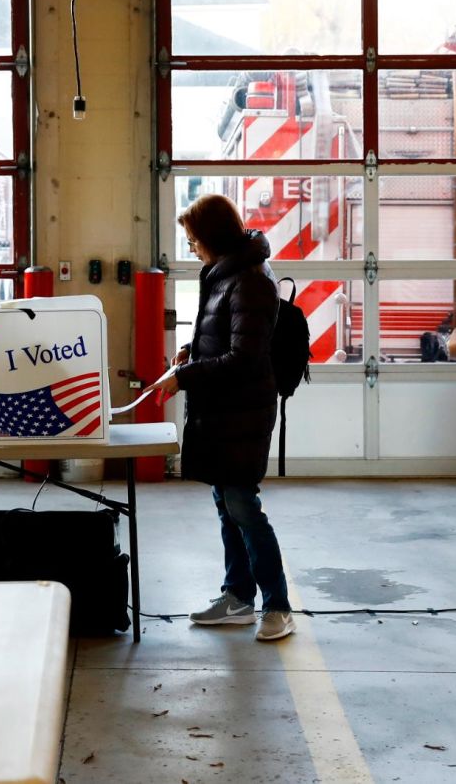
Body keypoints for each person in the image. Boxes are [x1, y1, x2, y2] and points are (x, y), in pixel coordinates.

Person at [152, 194, 295, 641]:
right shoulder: (224, 273)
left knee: (243, 507)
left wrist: (184, 377)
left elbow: (244, 358)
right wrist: (191, 351)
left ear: (213, 237)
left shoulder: (250, 281)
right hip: (222, 412)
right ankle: (237, 597)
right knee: (226, 505)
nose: (192, 247)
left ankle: (277, 606)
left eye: (194, 239)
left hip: (243, 411)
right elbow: (220, 333)